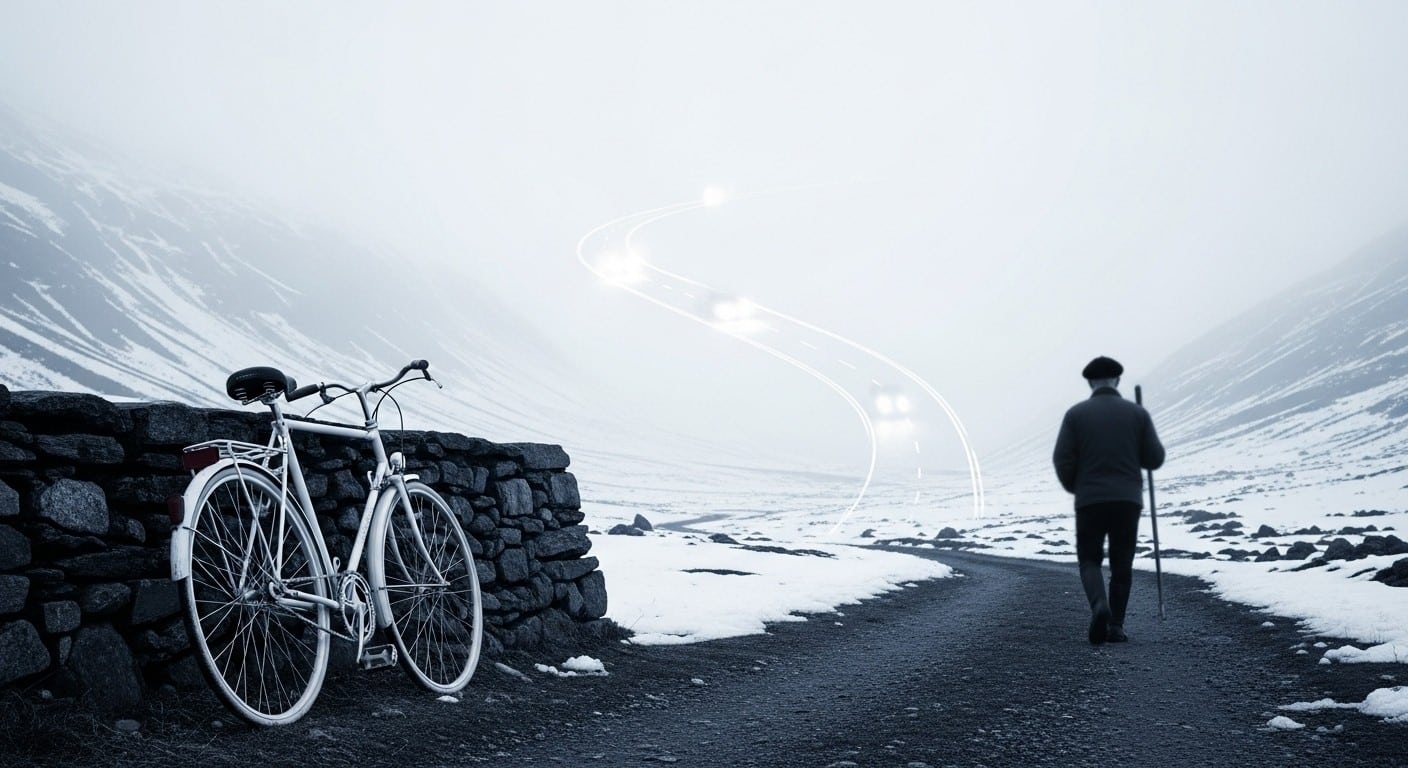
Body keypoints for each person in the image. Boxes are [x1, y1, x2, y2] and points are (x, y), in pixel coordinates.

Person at [1052, 356, 1165, 645]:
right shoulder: (1137, 414)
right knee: (1122, 562)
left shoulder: (1075, 415)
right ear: (1117, 380)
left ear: (1090, 382)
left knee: (1089, 559)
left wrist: (1077, 487)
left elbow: (1062, 458)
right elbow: (1154, 458)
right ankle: (1116, 626)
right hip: (1127, 500)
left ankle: (1099, 604)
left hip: (1090, 499)